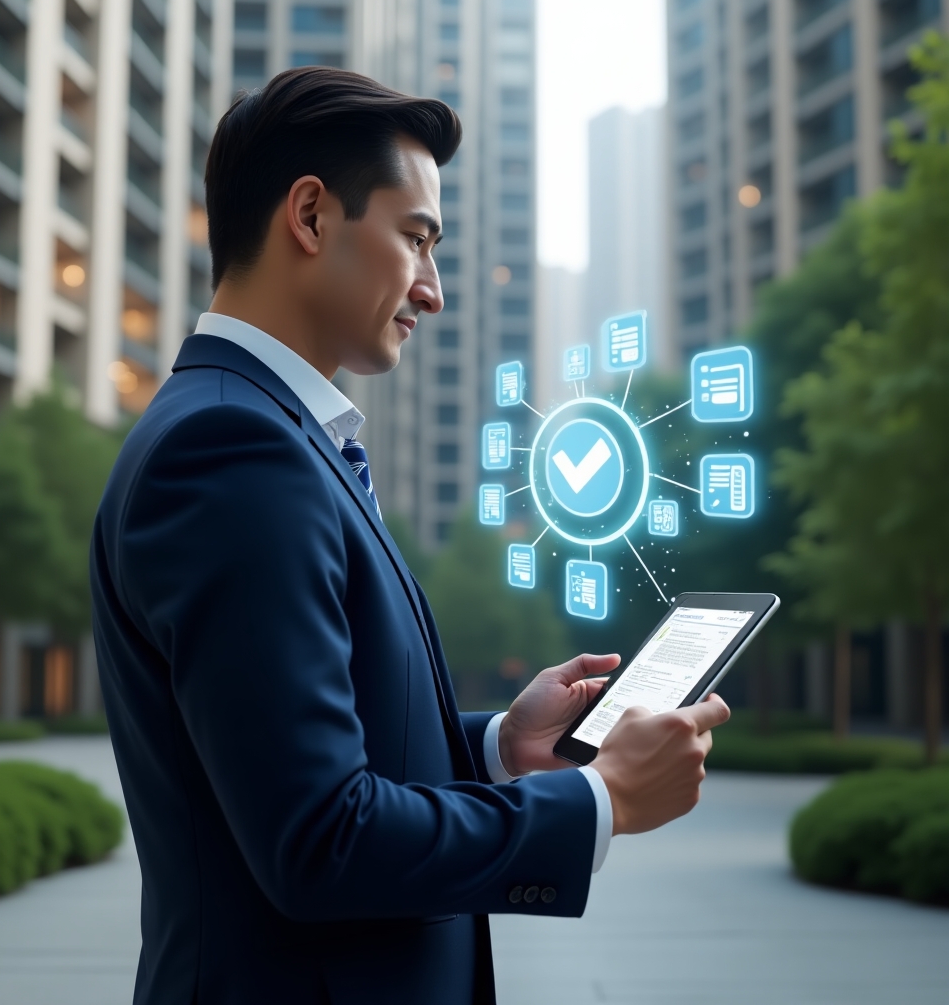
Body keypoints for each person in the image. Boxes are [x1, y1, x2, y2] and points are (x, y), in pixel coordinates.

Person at [90, 67, 730, 1005]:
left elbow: (299, 757)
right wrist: (601, 799)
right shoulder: (233, 450)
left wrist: (500, 747)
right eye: (417, 238)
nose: (433, 290)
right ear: (311, 216)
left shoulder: (265, 434)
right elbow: (320, 838)